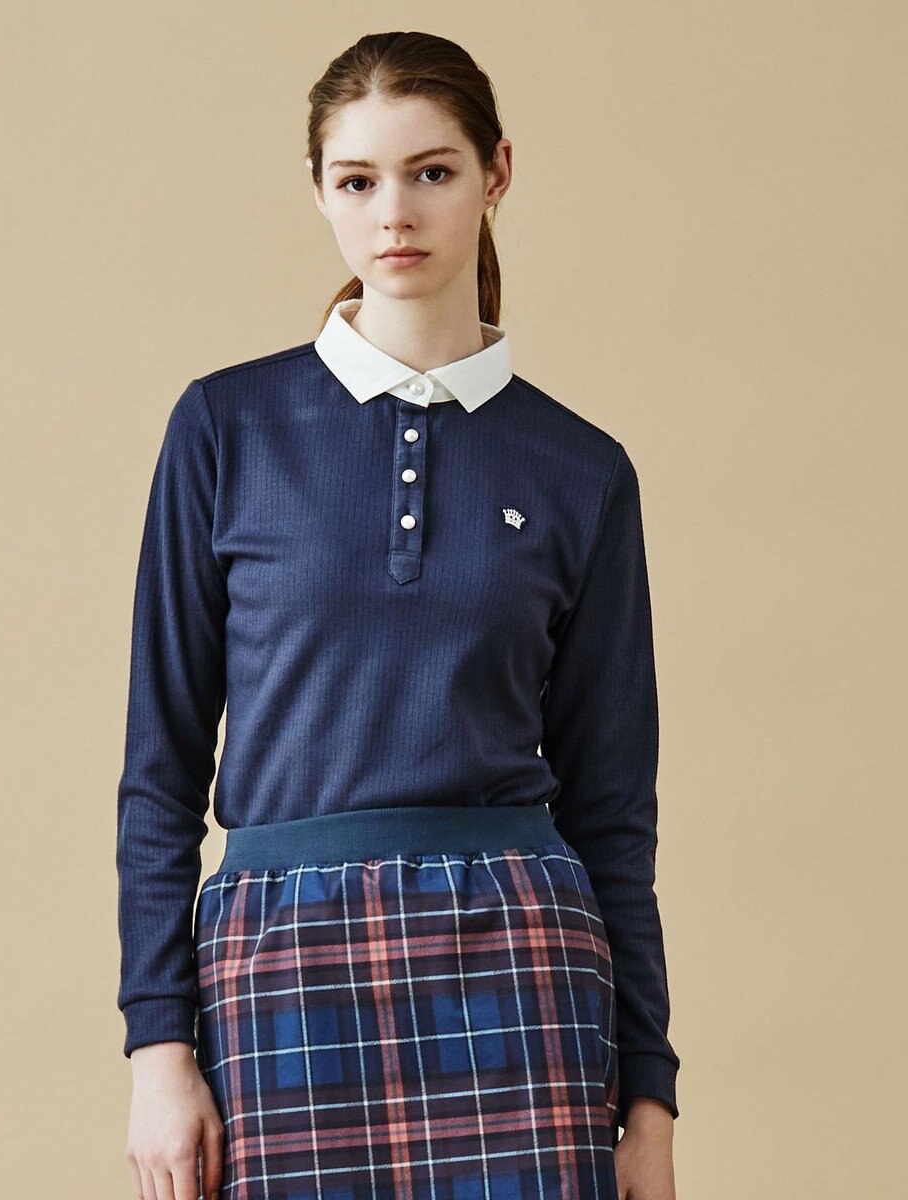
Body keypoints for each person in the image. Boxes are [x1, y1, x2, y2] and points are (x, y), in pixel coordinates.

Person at [117, 29, 680, 1200]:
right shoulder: (225, 429)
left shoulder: (580, 469)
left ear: (496, 172)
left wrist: (649, 1102)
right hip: (278, 962)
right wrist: (157, 1046)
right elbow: (159, 773)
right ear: (318, 191)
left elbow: (614, 811)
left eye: (432, 172)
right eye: (357, 181)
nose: (395, 215)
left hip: (519, 963)